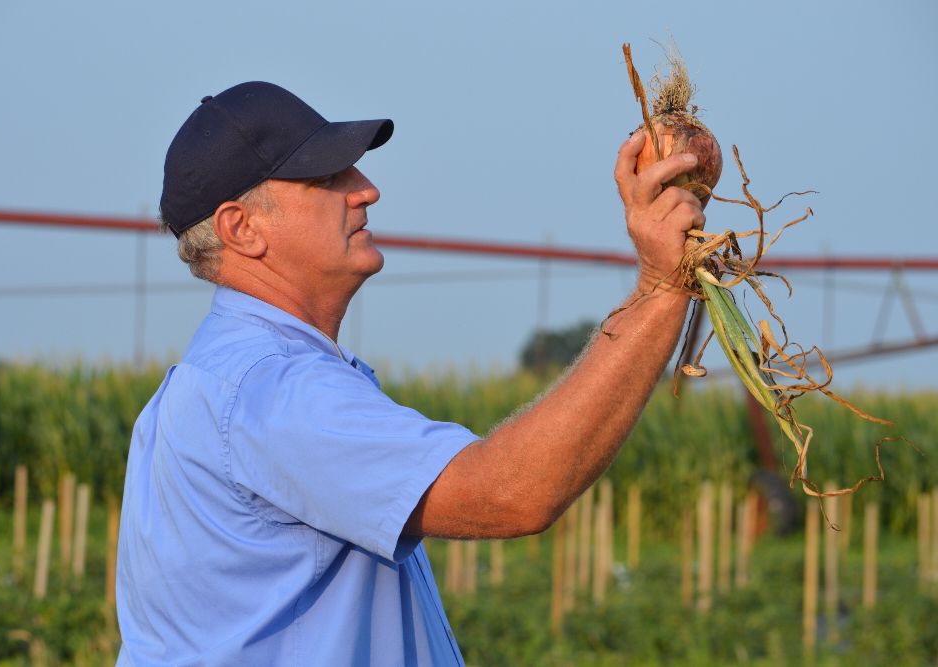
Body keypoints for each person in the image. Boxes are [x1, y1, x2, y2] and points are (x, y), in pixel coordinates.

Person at [115, 81, 704, 666]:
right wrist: (661, 287)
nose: (366, 190)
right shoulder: (270, 388)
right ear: (241, 227)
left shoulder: (226, 378)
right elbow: (510, 494)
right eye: (326, 179)